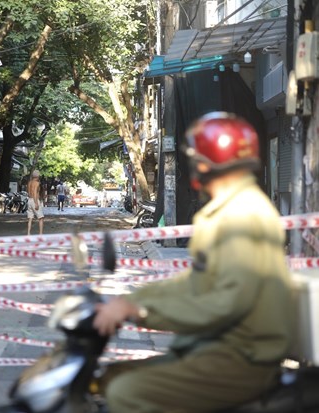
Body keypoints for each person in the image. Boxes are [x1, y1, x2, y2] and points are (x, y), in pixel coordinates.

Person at [93, 112, 295, 412]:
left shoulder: (241, 216)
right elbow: (194, 283)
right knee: (108, 378)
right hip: (217, 348)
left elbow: (222, 303)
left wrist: (139, 311)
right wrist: (130, 300)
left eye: (195, 158)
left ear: (207, 163)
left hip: (238, 358)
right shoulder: (227, 211)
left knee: (125, 392)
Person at [26, 170, 44, 235]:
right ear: (38, 176)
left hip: (29, 200)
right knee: (41, 218)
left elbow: (28, 191)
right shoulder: (37, 183)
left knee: (30, 218)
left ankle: (28, 233)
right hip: (34, 200)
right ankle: (41, 234)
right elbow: (35, 193)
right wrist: (36, 203)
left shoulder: (29, 182)